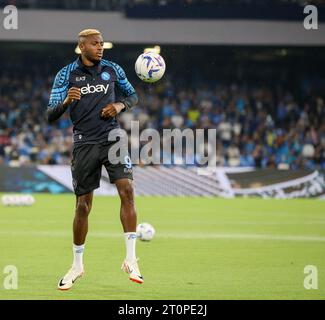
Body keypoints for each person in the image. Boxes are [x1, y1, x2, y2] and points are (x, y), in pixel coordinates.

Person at [46, 29, 143, 290]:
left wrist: (120, 106)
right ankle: (77, 265)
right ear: (82, 47)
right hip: (84, 143)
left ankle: (132, 259)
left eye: (102, 43)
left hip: (112, 138)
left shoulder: (112, 69)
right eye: (95, 44)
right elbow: (50, 115)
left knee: (127, 190)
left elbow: (132, 95)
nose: (100, 47)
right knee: (83, 207)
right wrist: (67, 100)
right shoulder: (66, 75)